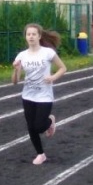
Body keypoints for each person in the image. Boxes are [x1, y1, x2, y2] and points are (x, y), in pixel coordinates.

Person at [12, 23, 67, 165]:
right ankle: (40, 154)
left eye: (33, 34)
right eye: (28, 34)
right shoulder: (21, 56)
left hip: (44, 96)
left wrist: (53, 77)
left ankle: (50, 122)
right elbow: (15, 81)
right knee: (31, 127)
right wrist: (16, 69)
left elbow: (63, 68)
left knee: (39, 126)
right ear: (25, 37)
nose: (31, 37)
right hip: (28, 96)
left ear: (39, 36)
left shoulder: (48, 53)